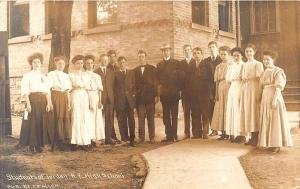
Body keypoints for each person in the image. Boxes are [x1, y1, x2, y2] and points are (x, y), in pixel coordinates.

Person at [257, 50, 293, 153]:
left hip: (274, 96)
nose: (265, 61)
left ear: (273, 59)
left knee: (275, 119)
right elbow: (261, 86)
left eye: (268, 59)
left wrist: (275, 99)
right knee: (267, 119)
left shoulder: (278, 71)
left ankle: (276, 144)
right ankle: (270, 143)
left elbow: (279, 86)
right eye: (264, 59)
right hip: (265, 96)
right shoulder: (264, 72)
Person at [19, 52, 54, 153]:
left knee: (40, 122)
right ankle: (31, 145)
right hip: (32, 100)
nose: (36, 64)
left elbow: (47, 91)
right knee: (32, 123)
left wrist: (48, 103)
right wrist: (28, 104)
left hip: (42, 101)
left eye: (38, 62)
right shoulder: (27, 76)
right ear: (31, 63)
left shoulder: (43, 76)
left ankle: (39, 145)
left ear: (41, 63)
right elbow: (25, 91)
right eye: (34, 62)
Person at [157, 44, 183, 142]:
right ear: (162, 52)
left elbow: (181, 78)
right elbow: (158, 80)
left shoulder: (176, 63)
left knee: (174, 115)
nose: (165, 52)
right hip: (164, 94)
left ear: (170, 51)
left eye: (167, 50)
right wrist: (160, 91)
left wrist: (178, 89)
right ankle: (168, 135)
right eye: (163, 51)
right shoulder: (159, 64)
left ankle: (175, 135)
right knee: (166, 116)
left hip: (174, 93)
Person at [240, 44, 264, 146]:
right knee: (248, 112)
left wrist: (259, 92)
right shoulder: (244, 64)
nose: (248, 53)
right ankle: (250, 137)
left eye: (250, 51)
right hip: (246, 90)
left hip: (254, 89)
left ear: (254, 52)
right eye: (246, 51)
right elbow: (242, 77)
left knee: (254, 112)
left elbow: (260, 79)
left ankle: (256, 136)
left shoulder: (257, 64)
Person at [189, 47, 214, 139]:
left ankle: (205, 133)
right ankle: (196, 133)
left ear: (202, 54)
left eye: (198, 53)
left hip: (205, 93)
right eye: (194, 53)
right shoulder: (191, 65)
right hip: (194, 94)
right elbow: (188, 80)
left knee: (205, 113)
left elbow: (212, 80)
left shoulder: (208, 65)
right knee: (195, 113)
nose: (196, 55)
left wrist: (210, 92)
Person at [47, 56, 72, 150]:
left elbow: (67, 91)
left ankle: (63, 141)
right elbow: (48, 89)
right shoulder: (51, 74)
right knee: (56, 117)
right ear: (55, 64)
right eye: (59, 63)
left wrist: (69, 103)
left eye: (63, 63)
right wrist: (49, 102)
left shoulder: (66, 76)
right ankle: (54, 142)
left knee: (63, 118)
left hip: (64, 97)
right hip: (55, 96)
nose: (61, 65)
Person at [69, 55, 92, 151]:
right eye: (78, 63)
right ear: (74, 64)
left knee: (84, 117)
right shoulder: (70, 75)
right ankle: (74, 142)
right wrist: (75, 86)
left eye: (81, 63)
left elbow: (88, 88)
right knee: (76, 116)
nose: (80, 65)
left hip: (84, 96)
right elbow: (69, 88)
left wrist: (90, 101)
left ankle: (84, 142)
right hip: (75, 95)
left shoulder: (86, 75)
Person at [134, 50, 158, 144]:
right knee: (140, 119)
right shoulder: (135, 70)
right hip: (140, 99)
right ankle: (141, 137)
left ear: (146, 57)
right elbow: (134, 85)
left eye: (143, 56)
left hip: (150, 97)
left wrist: (156, 95)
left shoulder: (152, 68)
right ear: (138, 58)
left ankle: (152, 137)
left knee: (151, 118)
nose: (141, 58)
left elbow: (156, 83)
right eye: (139, 56)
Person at [84, 55, 105, 147]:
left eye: (91, 63)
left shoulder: (97, 76)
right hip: (87, 96)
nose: (89, 65)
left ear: (93, 64)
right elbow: (84, 89)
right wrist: (88, 102)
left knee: (97, 118)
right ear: (85, 64)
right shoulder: (83, 75)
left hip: (96, 97)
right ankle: (89, 138)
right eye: (87, 63)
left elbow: (99, 90)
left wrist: (100, 101)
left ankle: (96, 138)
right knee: (89, 118)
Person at [114, 56, 136, 147]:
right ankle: (124, 138)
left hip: (130, 100)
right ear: (118, 64)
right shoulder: (116, 74)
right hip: (120, 101)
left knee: (131, 120)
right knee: (121, 120)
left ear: (126, 63)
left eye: (124, 62)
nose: (122, 64)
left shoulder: (131, 72)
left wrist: (133, 96)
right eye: (120, 63)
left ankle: (132, 139)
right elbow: (114, 88)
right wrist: (116, 101)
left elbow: (134, 85)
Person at [94, 54, 116, 145]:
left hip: (109, 99)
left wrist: (112, 96)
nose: (105, 62)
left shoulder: (111, 72)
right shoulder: (95, 72)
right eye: (103, 60)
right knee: (97, 118)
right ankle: (96, 138)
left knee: (109, 119)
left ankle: (108, 137)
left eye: (107, 60)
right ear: (100, 61)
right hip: (99, 99)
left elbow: (113, 86)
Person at [224, 48, 245, 143]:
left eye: (238, 55)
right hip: (233, 88)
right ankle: (233, 133)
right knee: (232, 109)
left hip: (241, 87)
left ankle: (242, 135)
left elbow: (245, 78)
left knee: (240, 110)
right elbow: (227, 79)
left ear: (242, 55)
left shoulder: (244, 65)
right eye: (234, 55)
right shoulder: (231, 66)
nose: (236, 57)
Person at [211, 46, 231, 140]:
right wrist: (216, 94)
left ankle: (229, 131)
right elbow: (217, 82)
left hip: (229, 87)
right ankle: (223, 132)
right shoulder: (218, 66)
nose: (223, 56)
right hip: (220, 87)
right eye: (221, 54)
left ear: (228, 54)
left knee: (227, 108)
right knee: (220, 109)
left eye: (225, 54)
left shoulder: (231, 65)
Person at [203, 41, 222, 136]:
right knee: (211, 109)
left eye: (213, 47)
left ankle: (224, 130)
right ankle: (214, 129)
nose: (211, 49)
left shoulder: (221, 59)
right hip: (210, 88)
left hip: (220, 87)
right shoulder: (206, 61)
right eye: (210, 47)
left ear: (216, 48)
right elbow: (204, 76)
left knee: (221, 108)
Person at [179, 44, 195, 139]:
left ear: (191, 51)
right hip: (185, 92)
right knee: (186, 113)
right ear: (183, 51)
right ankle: (186, 132)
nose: (187, 51)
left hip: (194, 92)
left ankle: (196, 132)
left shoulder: (195, 62)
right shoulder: (181, 63)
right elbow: (179, 78)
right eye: (185, 50)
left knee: (195, 113)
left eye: (188, 50)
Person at [107, 49, 120, 143]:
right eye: (110, 57)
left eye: (114, 56)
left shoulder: (118, 67)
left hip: (118, 95)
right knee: (110, 116)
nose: (112, 58)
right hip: (110, 95)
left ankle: (121, 135)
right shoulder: (107, 68)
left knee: (119, 116)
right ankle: (111, 135)